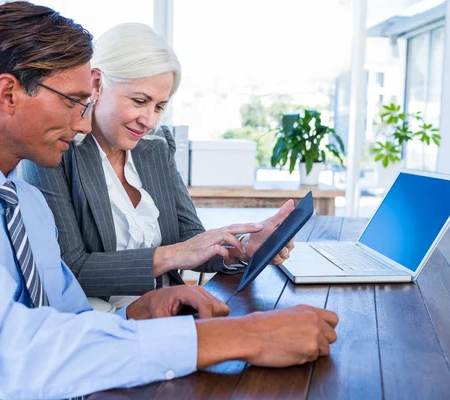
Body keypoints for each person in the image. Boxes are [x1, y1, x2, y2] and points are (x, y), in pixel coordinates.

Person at [0, 2, 338, 399]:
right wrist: (243, 335)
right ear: (8, 92)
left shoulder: (26, 205)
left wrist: (140, 312)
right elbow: (10, 350)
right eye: (76, 102)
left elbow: (67, 319)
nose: (82, 125)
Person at [20, 23, 295, 308]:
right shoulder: (53, 151)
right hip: (103, 323)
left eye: (159, 107)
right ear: (97, 84)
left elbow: (192, 240)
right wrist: (172, 255)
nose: (149, 120)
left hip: (172, 311)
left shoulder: (156, 146)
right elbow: (69, 269)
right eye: (140, 101)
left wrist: (243, 248)